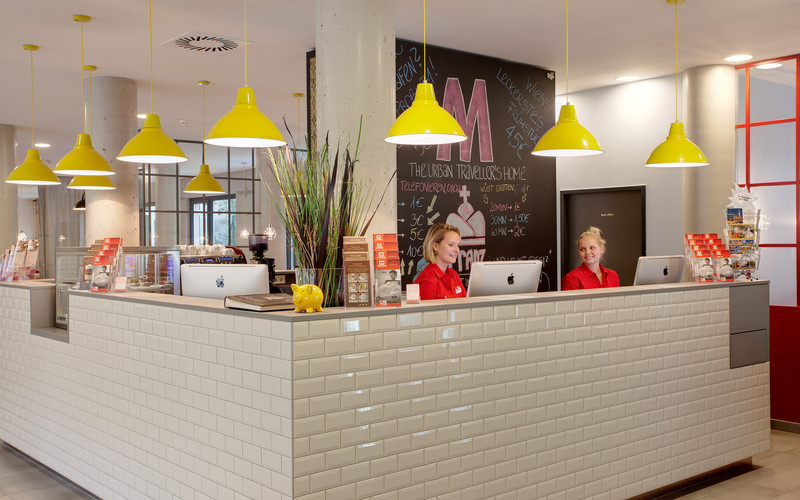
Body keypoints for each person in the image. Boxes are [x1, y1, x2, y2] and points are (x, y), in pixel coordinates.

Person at [413, 223, 467, 300]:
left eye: (457, 245)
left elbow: (466, 303)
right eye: (451, 245)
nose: (457, 250)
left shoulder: (453, 275)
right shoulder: (427, 280)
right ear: (436, 246)